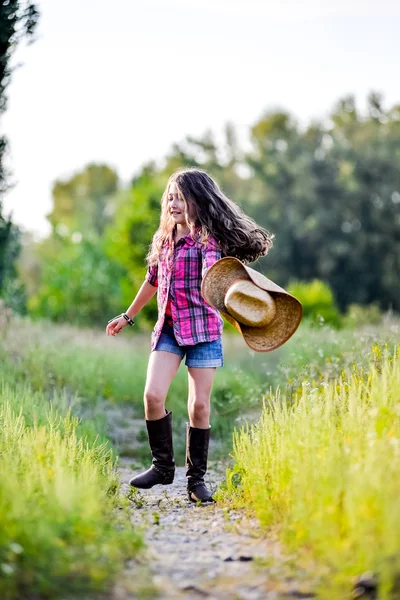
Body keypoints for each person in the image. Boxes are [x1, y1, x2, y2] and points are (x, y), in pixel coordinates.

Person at [106, 167, 273, 502]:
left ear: (198, 202)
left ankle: (195, 481)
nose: (173, 203)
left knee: (199, 406)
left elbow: (217, 275)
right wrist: (128, 315)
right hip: (168, 328)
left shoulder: (208, 241)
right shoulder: (163, 241)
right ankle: (163, 466)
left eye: (181, 198)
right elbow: (153, 280)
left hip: (203, 331)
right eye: (170, 197)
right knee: (153, 396)